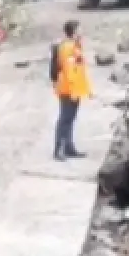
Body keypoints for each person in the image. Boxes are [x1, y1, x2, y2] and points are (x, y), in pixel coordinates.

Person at [52, 20, 90, 161]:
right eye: (79, 29)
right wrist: (74, 90)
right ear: (74, 31)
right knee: (65, 118)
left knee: (70, 118)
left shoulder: (75, 45)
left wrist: (86, 89)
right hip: (68, 88)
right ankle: (59, 149)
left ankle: (68, 147)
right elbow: (69, 71)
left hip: (74, 88)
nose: (82, 31)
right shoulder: (67, 48)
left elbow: (80, 70)